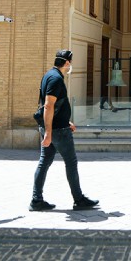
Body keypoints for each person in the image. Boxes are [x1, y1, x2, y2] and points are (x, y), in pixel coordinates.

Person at [31, 50, 99, 211]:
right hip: (57, 131)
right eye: (71, 62)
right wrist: (48, 132)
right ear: (67, 63)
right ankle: (79, 199)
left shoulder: (49, 75)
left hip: (56, 126)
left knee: (44, 162)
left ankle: (36, 200)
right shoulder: (56, 79)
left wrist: (65, 121)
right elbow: (48, 105)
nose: (71, 66)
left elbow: (56, 105)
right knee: (71, 162)